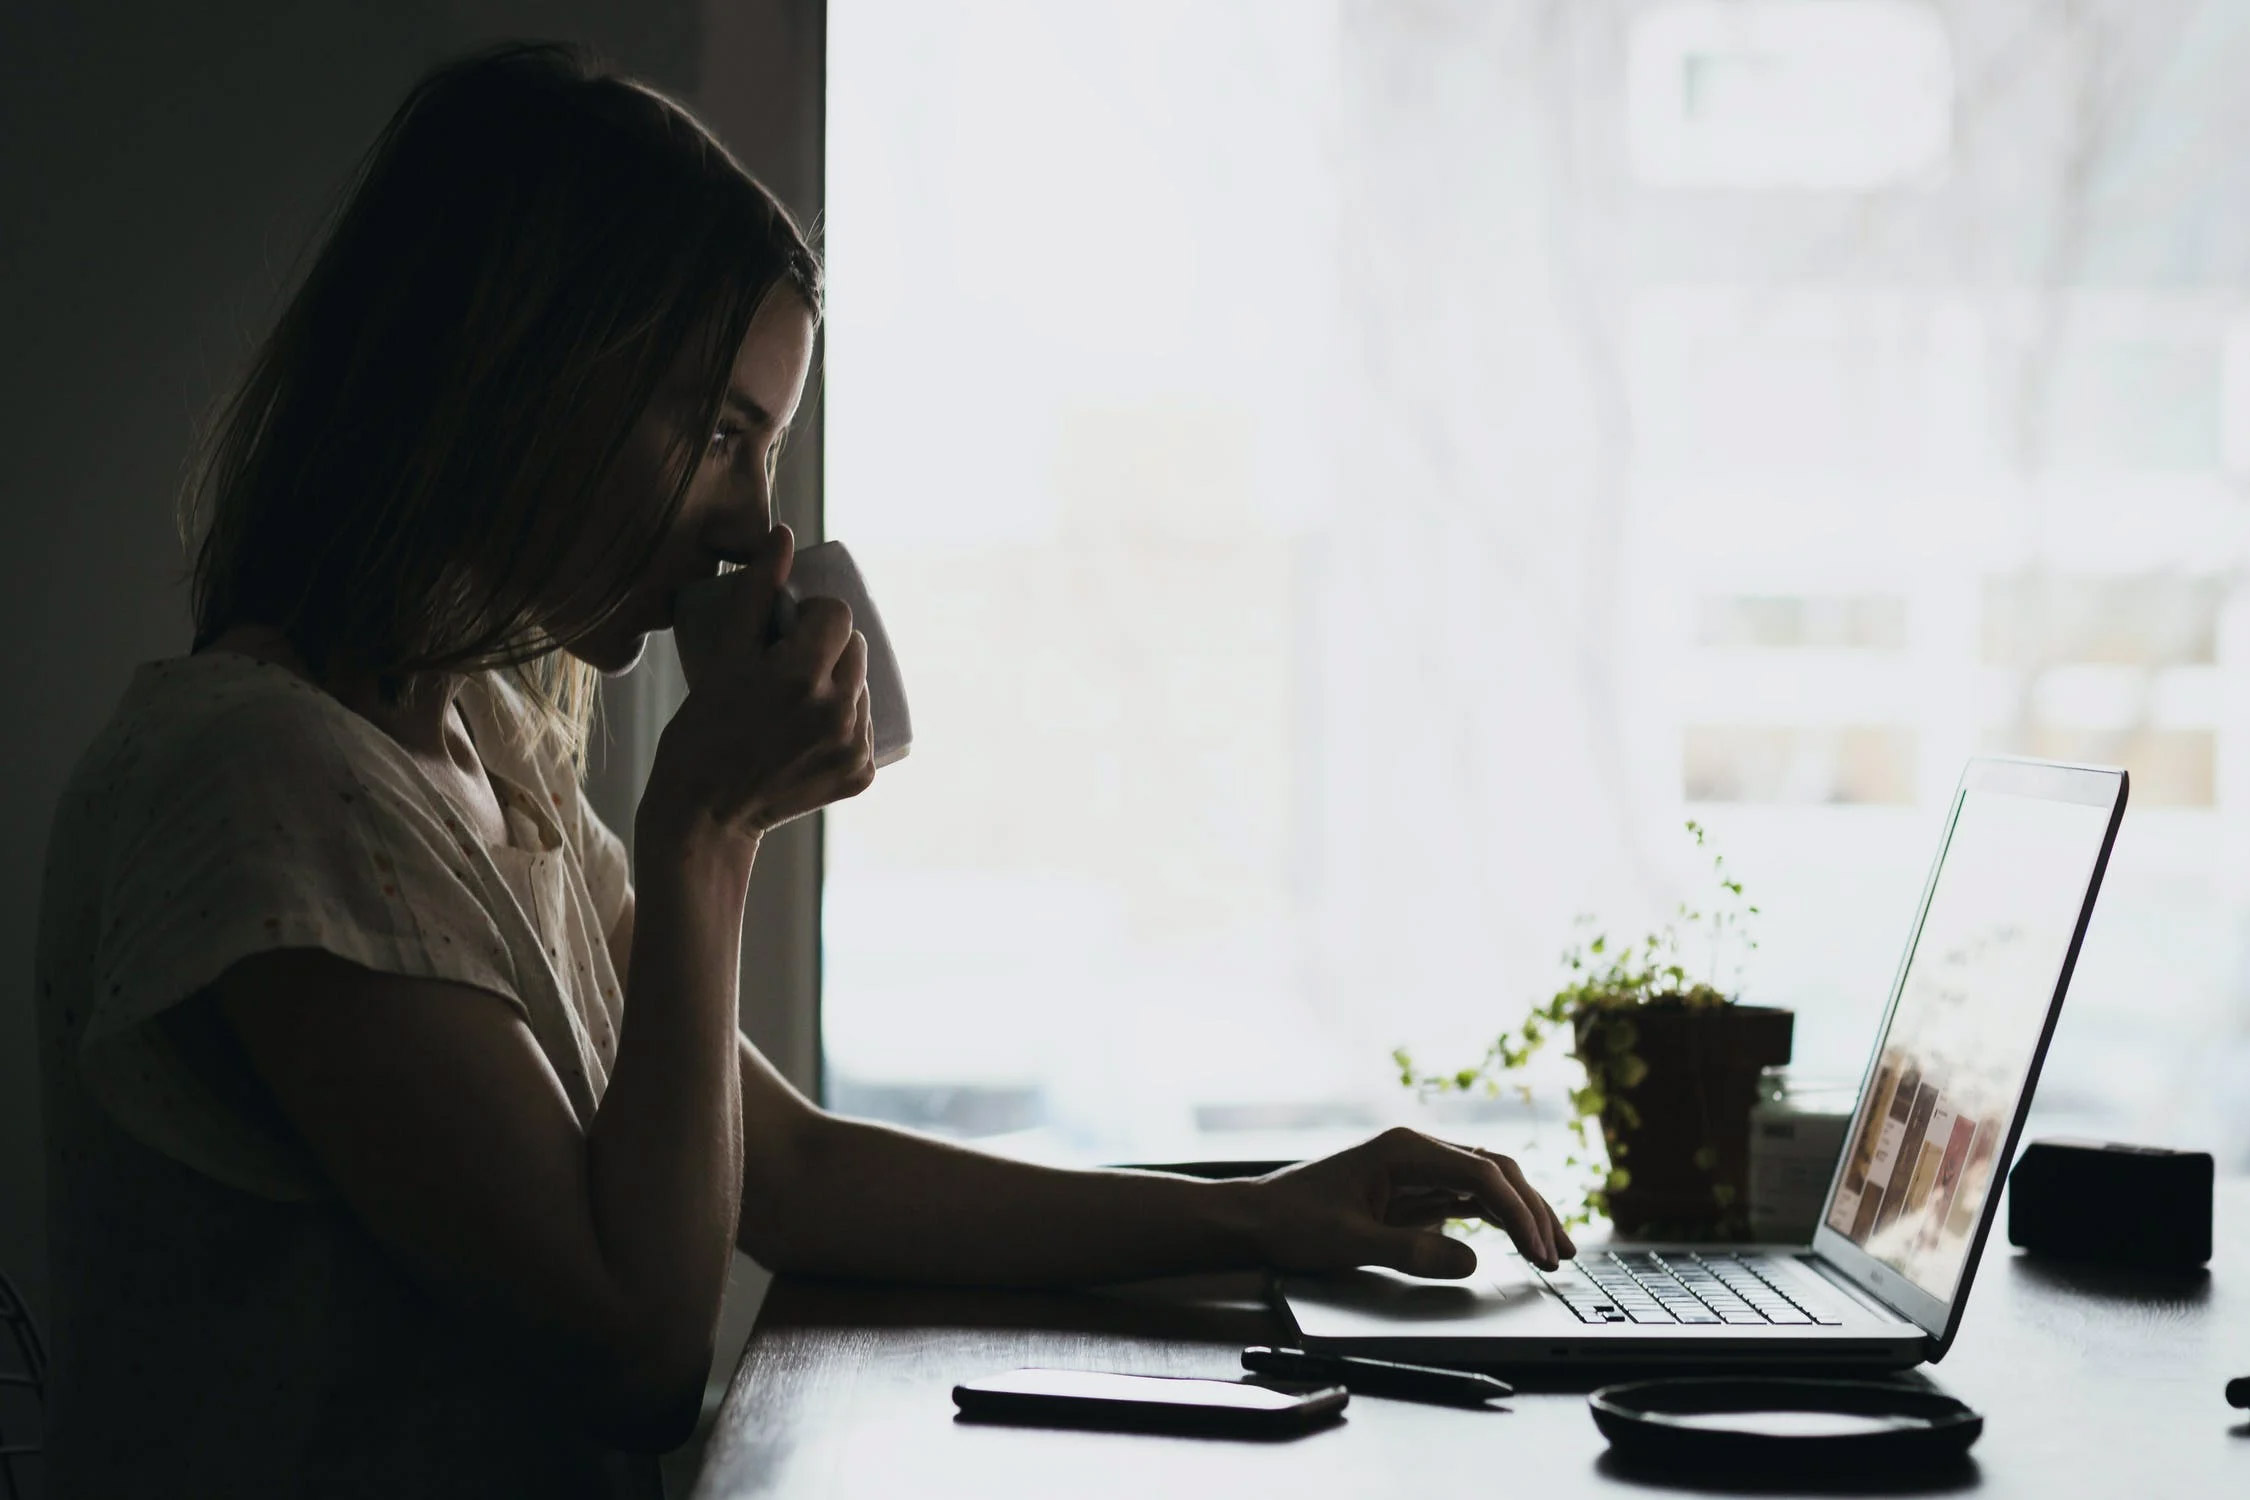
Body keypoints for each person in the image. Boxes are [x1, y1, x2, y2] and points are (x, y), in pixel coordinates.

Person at [33, 42, 1572, 1499]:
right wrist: (706, 825)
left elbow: (789, 1170)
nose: (751, 529)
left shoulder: (480, 755)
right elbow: (629, 1348)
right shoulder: (261, 781)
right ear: (516, 379)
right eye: (718, 431)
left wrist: (1270, 1213)